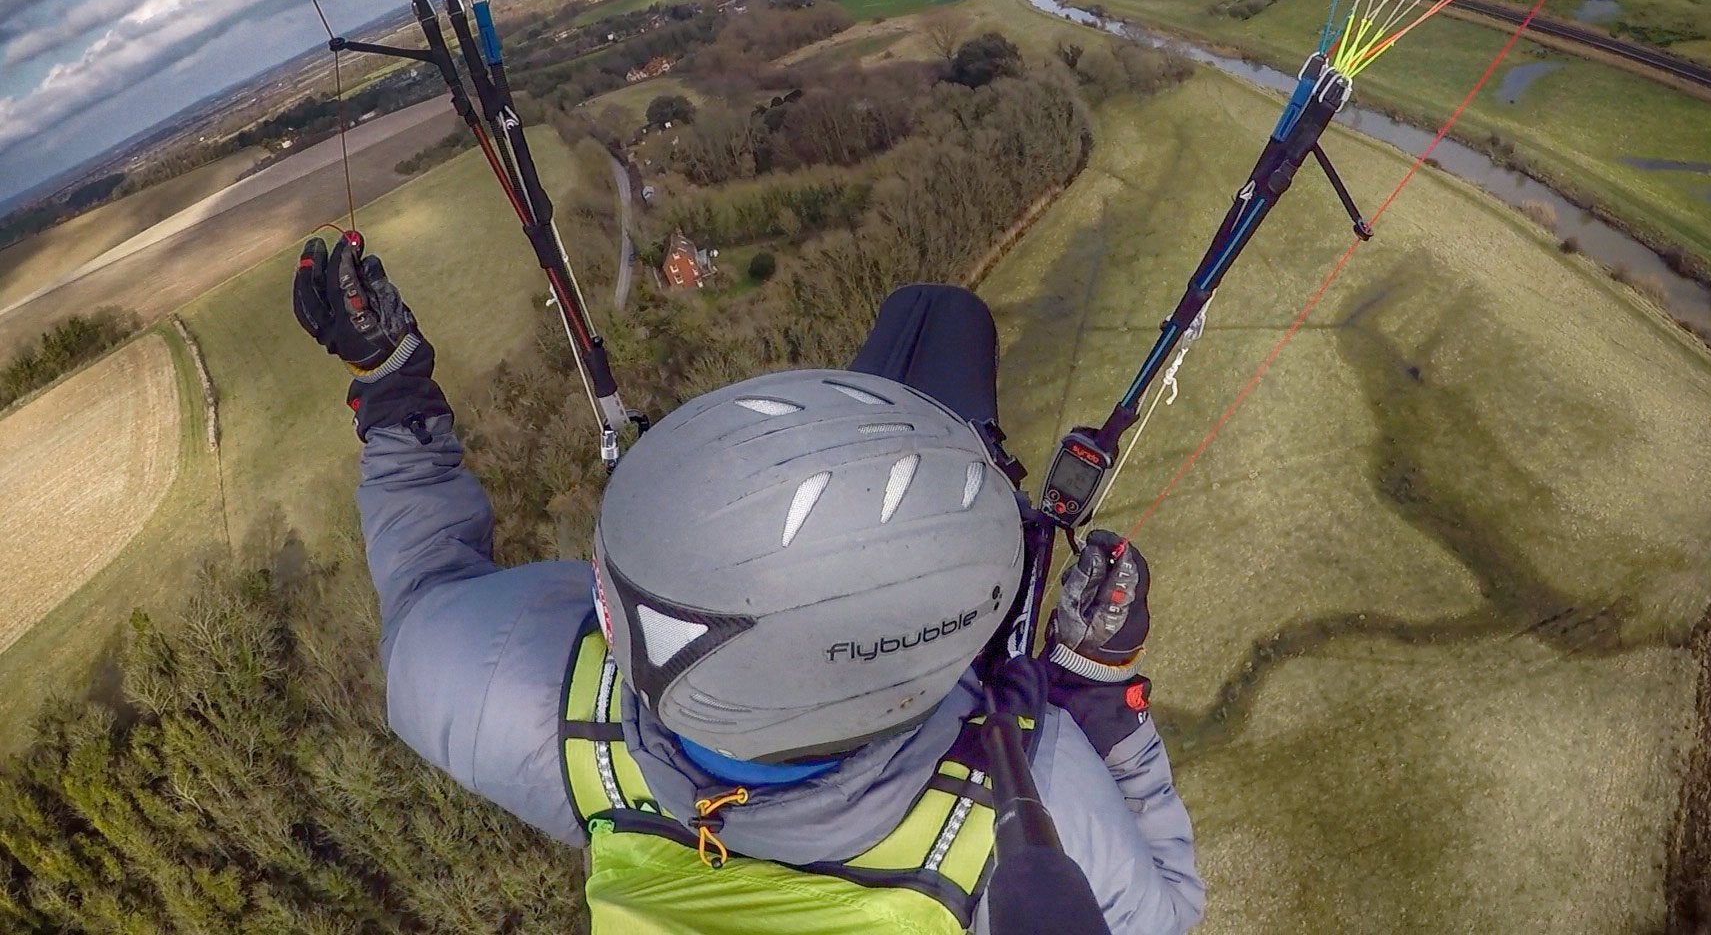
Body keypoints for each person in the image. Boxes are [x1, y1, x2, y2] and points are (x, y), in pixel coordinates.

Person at [293, 234, 1206, 933]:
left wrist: (392, 384)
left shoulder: (544, 704)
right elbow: (1166, 907)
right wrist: (1093, 695)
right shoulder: (1028, 810)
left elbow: (422, 593)